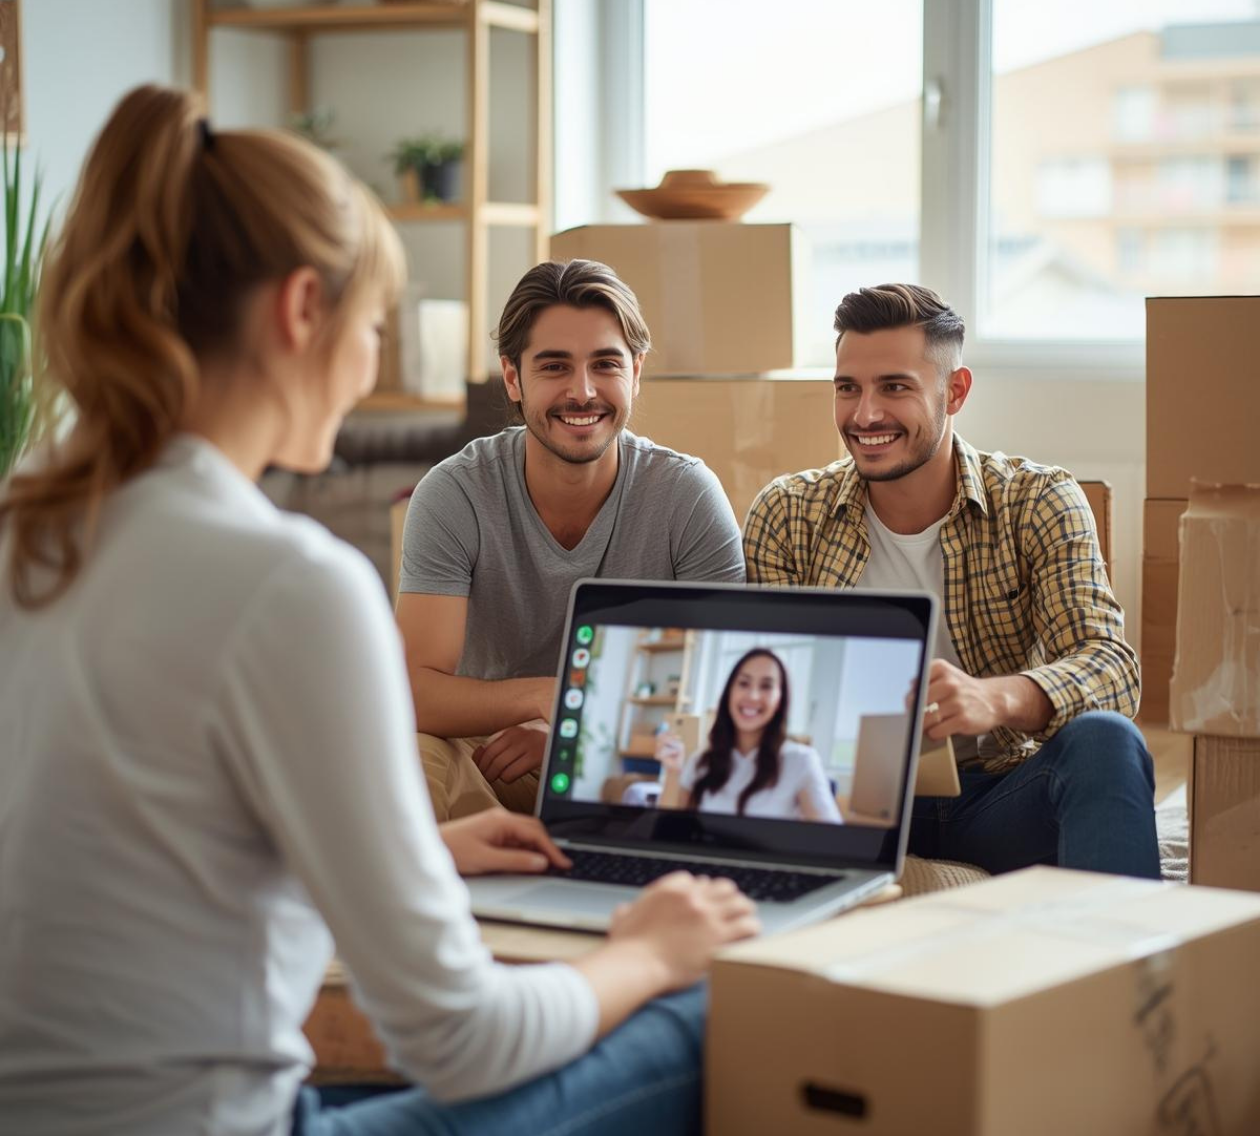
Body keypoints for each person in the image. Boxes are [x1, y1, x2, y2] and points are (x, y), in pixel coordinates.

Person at [0, 85, 759, 1136]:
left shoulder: (27, 531)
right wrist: (650, 952)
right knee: (702, 1017)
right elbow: (464, 1042)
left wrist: (422, 851)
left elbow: (142, 850)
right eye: (373, 330)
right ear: (303, 310)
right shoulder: (292, 584)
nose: (368, 367)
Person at [742, 283, 1159, 878]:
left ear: (954, 391)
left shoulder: (1036, 500)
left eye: (895, 387)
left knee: (1108, 741)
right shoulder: (786, 513)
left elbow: (1112, 671)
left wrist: (997, 697)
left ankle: (1123, 967)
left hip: (996, 796)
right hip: (845, 810)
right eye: (848, 388)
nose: (865, 415)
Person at [396, 258, 746, 823]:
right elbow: (411, 691)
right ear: (513, 377)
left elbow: (725, 690)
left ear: (635, 371)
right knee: (413, 757)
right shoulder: (456, 492)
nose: (581, 392)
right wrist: (549, 696)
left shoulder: (686, 495)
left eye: (604, 364)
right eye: (554, 366)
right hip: (492, 762)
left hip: (639, 761)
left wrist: (582, 732)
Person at [655, 650, 841, 823]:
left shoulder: (801, 761)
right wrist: (673, 771)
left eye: (766, 686)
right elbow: (667, 826)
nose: (753, 696)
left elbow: (833, 844)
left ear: (780, 700)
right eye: (743, 683)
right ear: (729, 692)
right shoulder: (701, 761)